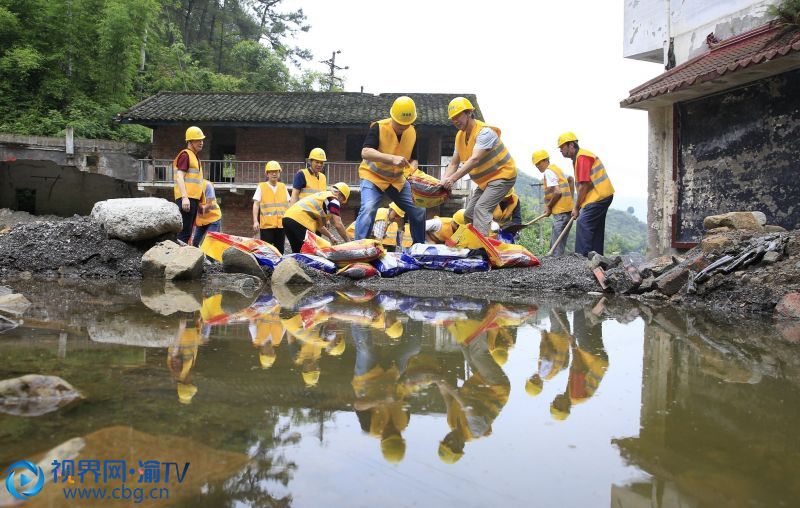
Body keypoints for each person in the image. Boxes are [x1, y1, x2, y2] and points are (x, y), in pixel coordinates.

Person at [354, 96, 427, 245]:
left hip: (397, 180)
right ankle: (358, 248)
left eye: (406, 124)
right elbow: (365, 152)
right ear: (392, 116)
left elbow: (414, 158)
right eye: (399, 123)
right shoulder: (379, 127)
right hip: (373, 177)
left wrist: (412, 170)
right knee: (368, 209)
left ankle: (419, 248)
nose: (402, 127)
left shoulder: (412, 132)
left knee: (419, 209)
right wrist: (392, 159)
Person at [441, 97, 517, 236]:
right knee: (469, 214)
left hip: (502, 176)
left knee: (481, 209)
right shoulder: (460, 136)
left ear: (469, 113)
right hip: (485, 182)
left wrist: (452, 180)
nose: (456, 120)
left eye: (458, 115)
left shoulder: (485, 132)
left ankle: (482, 250)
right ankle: (473, 244)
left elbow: (475, 159)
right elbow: (454, 163)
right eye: (453, 118)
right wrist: (443, 183)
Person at [557, 132, 614, 256]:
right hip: (602, 195)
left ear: (571, 145)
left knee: (583, 222)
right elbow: (584, 186)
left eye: (562, 147)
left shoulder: (582, 157)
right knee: (596, 228)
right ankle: (597, 259)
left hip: (599, 196)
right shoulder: (578, 158)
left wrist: (577, 207)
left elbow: (584, 185)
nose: (560, 150)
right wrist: (580, 205)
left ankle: (582, 259)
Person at [282, 183, 350, 253]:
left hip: (287, 219)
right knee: (310, 251)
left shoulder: (323, 198)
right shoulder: (334, 200)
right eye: (342, 202)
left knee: (298, 251)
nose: (341, 204)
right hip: (299, 221)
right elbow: (338, 224)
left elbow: (319, 226)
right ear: (341, 195)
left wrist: (331, 236)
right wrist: (348, 242)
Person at [533, 149, 575, 256]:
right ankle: (557, 267)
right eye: (536, 164)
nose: (537, 166)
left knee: (556, 248)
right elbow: (570, 179)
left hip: (560, 213)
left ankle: (555, 269)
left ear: (546, 160)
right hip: (568, 212)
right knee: (559, 244)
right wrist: (571, 200)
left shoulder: (548, 172)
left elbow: (557, 192)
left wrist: (549, 207)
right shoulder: (557, 170)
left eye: (539, 162)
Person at [173, 126, 206, 243]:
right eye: (198, 140)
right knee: (184, 232)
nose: (201, 143)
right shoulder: (185, 155)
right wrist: (184, 197)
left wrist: (201, 202)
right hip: (187, 199)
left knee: (188, 232)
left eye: (202, 140)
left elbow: (197, 182)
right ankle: (176, 258)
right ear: (190, 141)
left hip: (193, 199)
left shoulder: (195, 157)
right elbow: (179, 177)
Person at [252, 161, 290, 254]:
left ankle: (279, 268)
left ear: (279, 173)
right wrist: (255, 221)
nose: (274, 174)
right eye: (271, 172)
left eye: (276, 171)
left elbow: (288, 204)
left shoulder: (283, 186)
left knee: (280, 251)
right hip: (266, 226)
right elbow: (256, 204)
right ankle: (267, 268)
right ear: (267, 174)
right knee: (266, 251)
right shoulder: (262, 186)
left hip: (281, 225)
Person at [191, 179, 222, 247]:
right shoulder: (190, 187)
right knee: (195, 242)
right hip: (201, 221)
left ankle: (210, 257)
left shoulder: (207, 185)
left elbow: (209, 205)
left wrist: (198, 206)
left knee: (209, 240)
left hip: (213, 218)